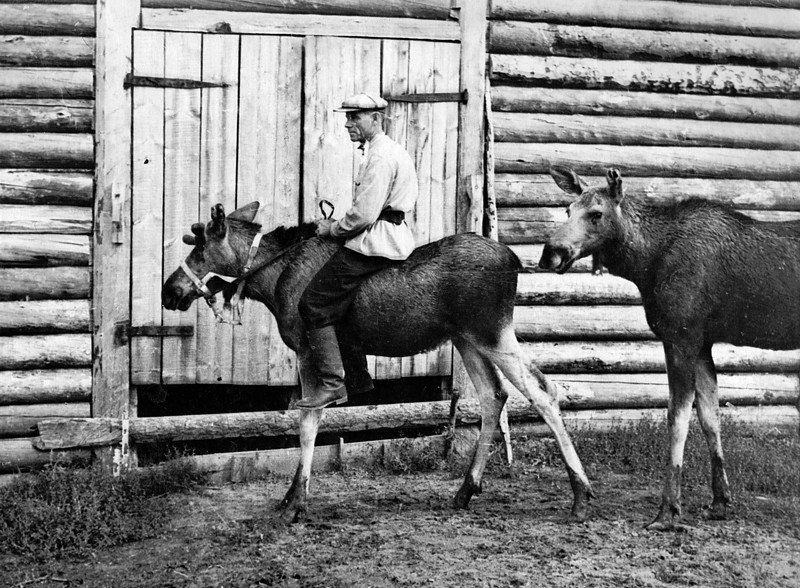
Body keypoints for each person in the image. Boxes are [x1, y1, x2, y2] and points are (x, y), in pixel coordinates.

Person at [296, 93, 419, 409]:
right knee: (343, 307)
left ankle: (332, 385)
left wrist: (333, 228)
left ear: (376, 119)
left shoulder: (380, 157)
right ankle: (359, 383)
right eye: (347, 117)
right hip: (387, 237)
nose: (348, 123)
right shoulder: (387, 151)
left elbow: (364, 215)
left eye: (355, 117)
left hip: (375, 244)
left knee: (313, 302)